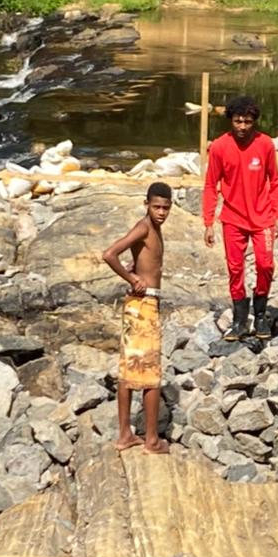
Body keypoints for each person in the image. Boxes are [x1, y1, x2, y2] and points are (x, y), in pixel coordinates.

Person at [203, 94, 278, 341]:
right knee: (235, 268)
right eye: (238, 121)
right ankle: (239, 319)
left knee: (265, 264)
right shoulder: (219, 147)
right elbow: (210, 185)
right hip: (232, 218)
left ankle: (260, 313)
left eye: (247, 122)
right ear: (231, 120)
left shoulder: (265, 144)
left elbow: (276, 181)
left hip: (263, 218)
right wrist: (208, 222)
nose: (242, 127)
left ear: (254, 122)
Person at [102, 182, 172, 454]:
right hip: (145, 304)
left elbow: (141, 258)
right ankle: (152, 440)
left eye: (166, 208)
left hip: (139, 304)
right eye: (156, 207)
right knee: (150, 373)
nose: (161, 212)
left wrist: (134, 268)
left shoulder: (154, 229)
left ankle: (124, 436)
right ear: (146, 205)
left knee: (129, 369)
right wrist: (131, 277)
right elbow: (109, 254)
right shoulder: (144, 227)